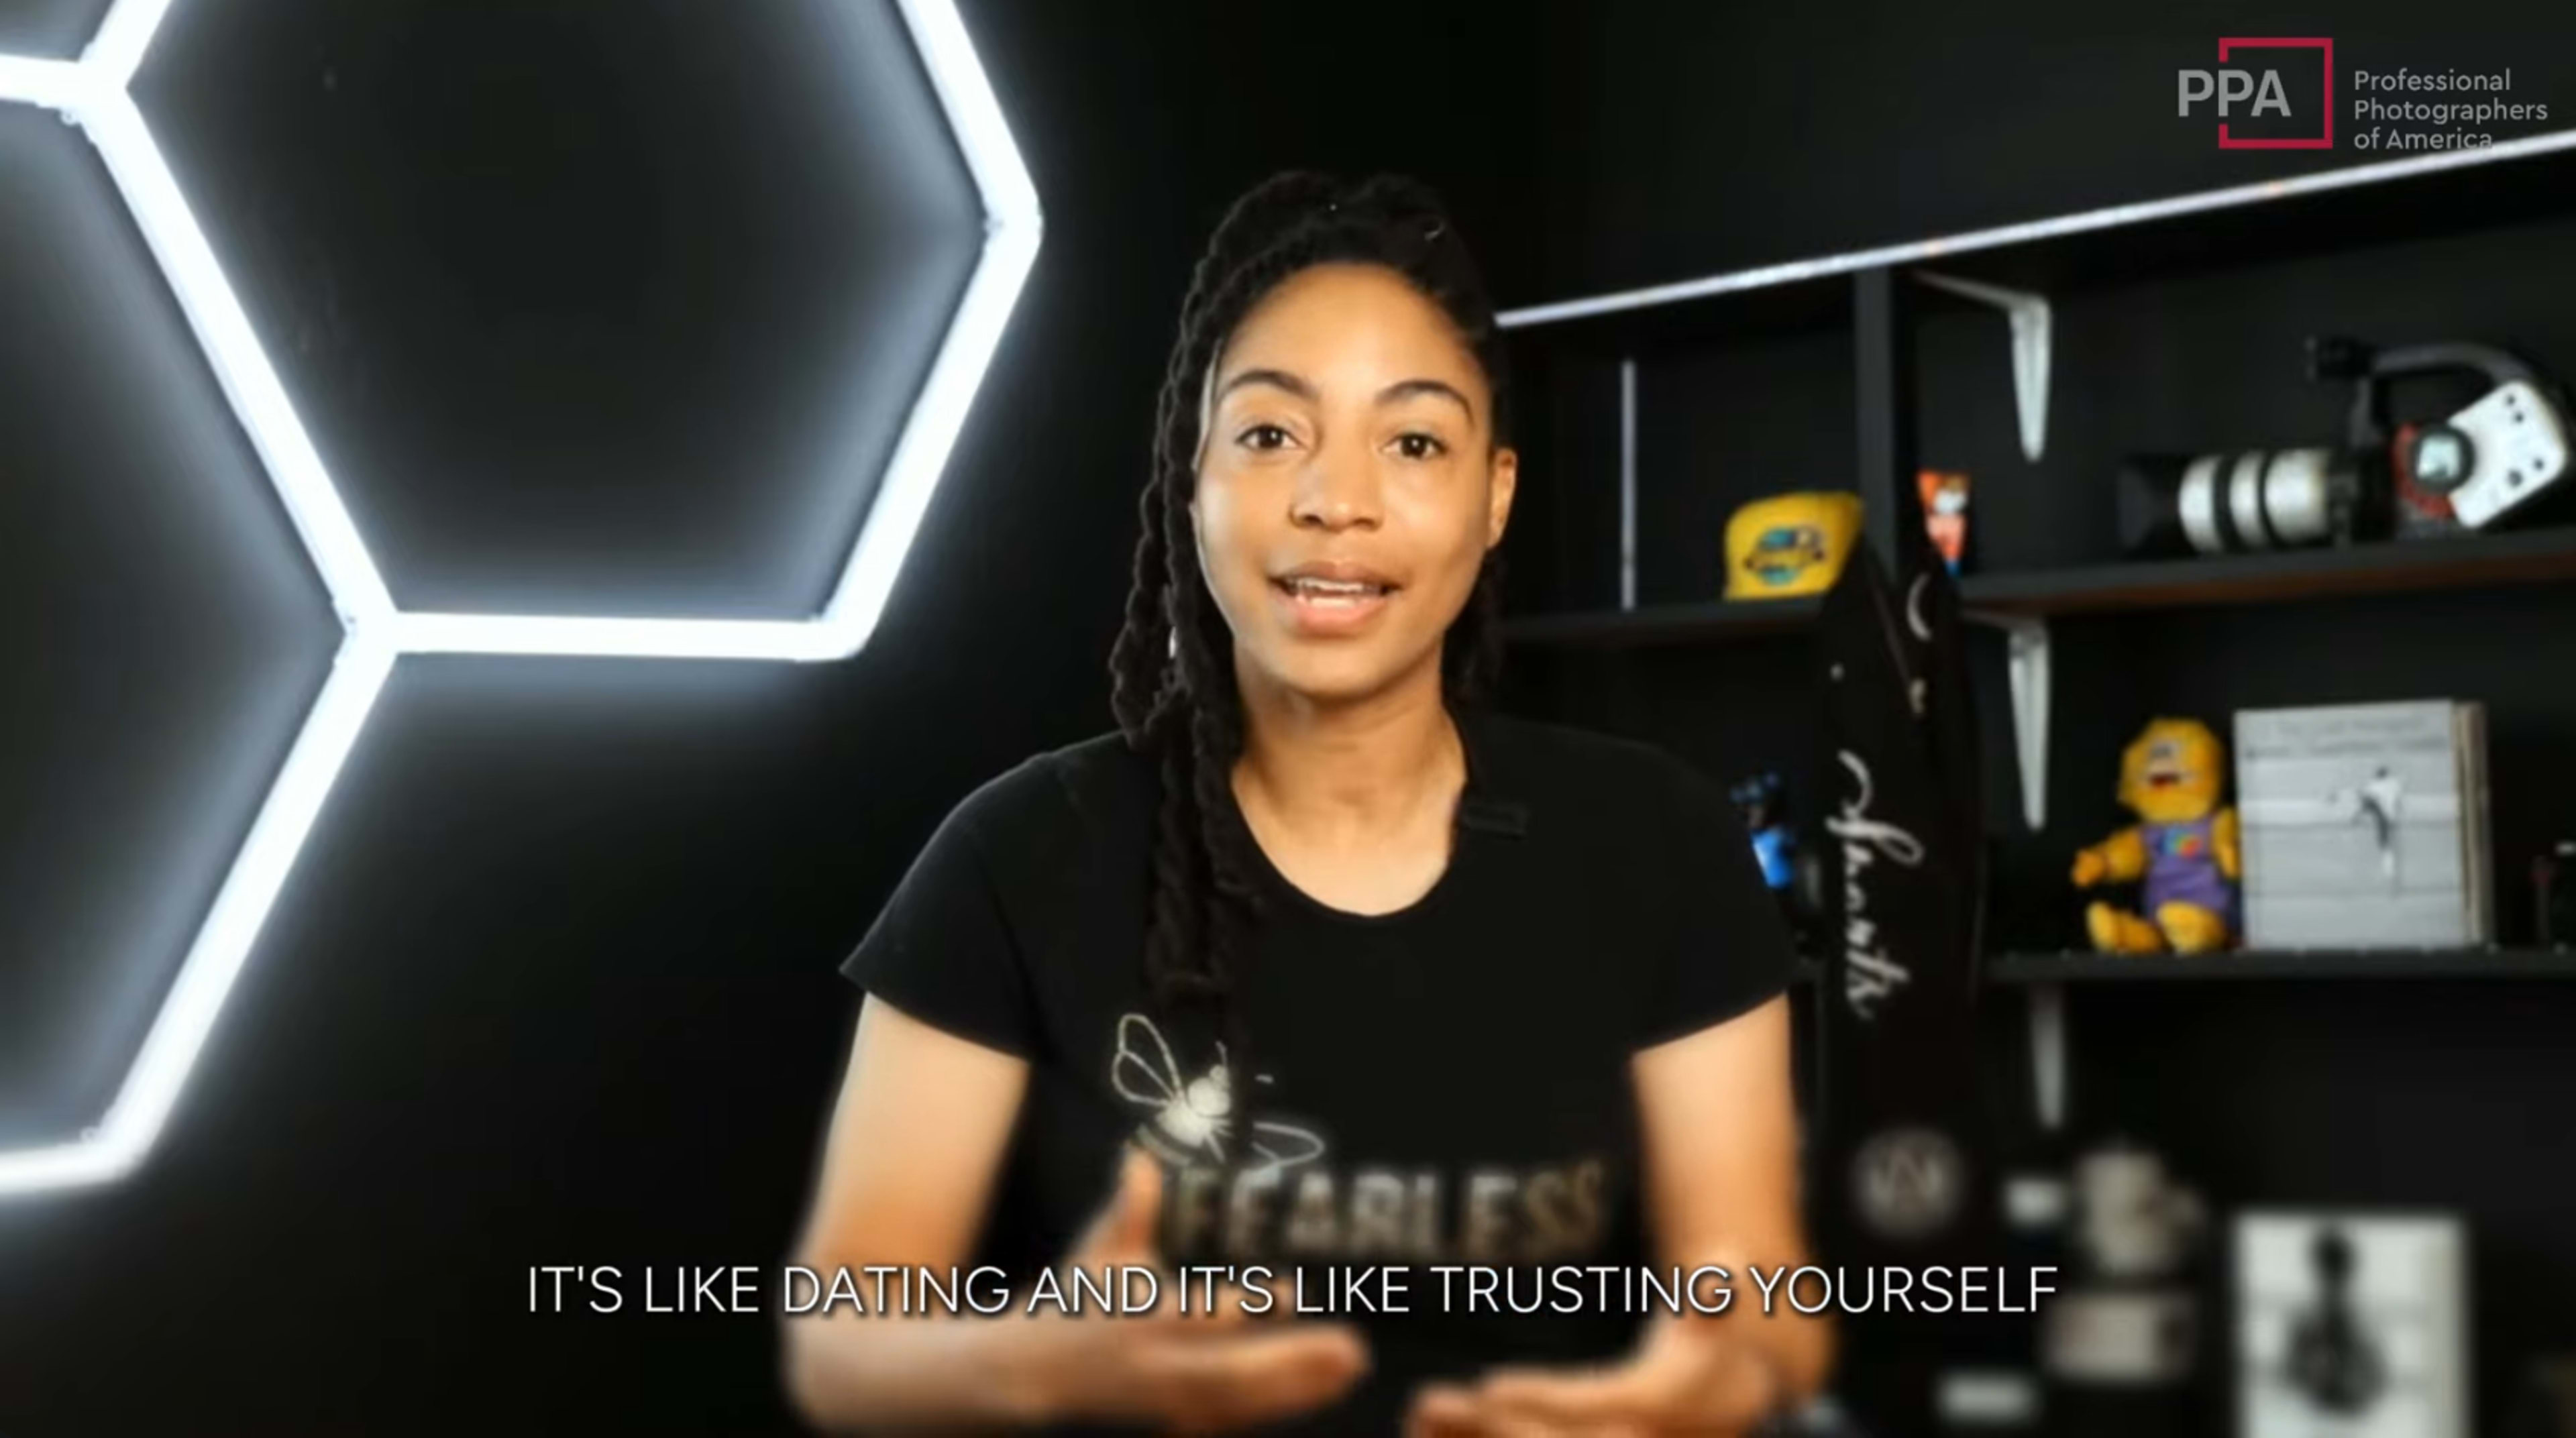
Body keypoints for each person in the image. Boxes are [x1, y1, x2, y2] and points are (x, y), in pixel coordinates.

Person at [782, 170, 1831, 1435]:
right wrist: (1037, 1363)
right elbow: (844, 1340)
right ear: (1191, 478)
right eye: (1272, 435)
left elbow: (1763, 1306)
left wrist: (1682, 1394)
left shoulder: (1659, 839)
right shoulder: (1014, 857)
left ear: (1494, 496)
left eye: (1414, 441)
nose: (1338, 499)